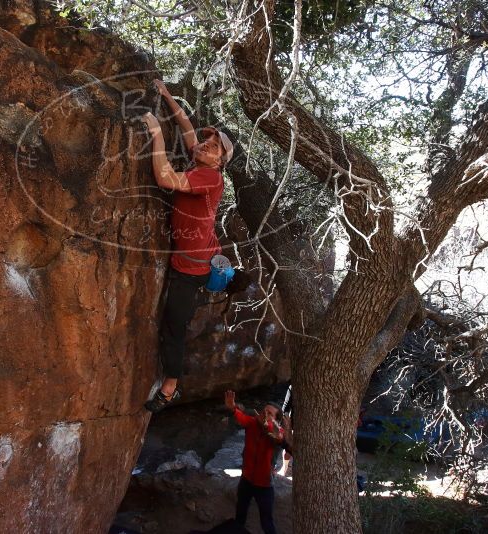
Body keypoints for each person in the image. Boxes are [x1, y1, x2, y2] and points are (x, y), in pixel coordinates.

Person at [141, 80, 234, 413]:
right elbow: (187, 127)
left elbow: (166, 178)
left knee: (173, 324)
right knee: (174, 320)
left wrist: (156, 134)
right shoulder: (201, 162)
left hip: (191, 266)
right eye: (207, 141)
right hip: (199, 251)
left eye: (214, 146)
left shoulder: (210, 176)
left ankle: (171, 386)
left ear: (220, 161)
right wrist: (166, 96)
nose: (205, 145)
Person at [224, 390, 283, 534]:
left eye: (270, 414)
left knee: (267, 522)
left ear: (276, 419)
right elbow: (241, 417)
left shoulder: (276, 433)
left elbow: (279, 437)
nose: (265, 414)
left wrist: (267, 425)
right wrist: (232, 408)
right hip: (247, 479)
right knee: (240, 514)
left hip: (264, 484)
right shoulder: (252, 424)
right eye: (265, 411)